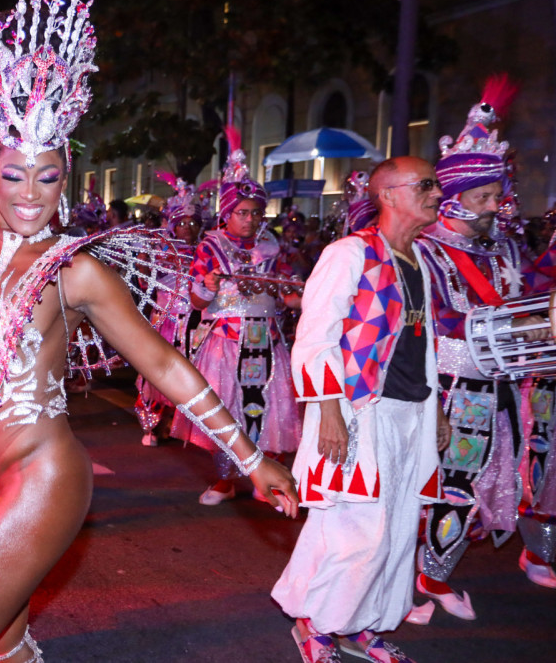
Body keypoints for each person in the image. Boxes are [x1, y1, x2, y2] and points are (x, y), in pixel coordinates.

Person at [0, 0, 298, 662]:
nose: (29, 194)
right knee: (3, 644)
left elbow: (163, 362)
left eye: (47, 176)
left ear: (65, 178)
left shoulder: (75, 269)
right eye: (14, 175)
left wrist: (251, 456)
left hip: (43, 475)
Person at [272, 155, 449, 663]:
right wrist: (328, 412)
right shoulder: (350, 253)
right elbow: (314, 338)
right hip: (358, 413)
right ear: (389, 194)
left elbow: (424, 344)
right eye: (427, 185)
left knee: (396, 528)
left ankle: (364, 624)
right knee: (355, 531)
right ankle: (319, 625)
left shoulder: (420, 262)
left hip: (409, 415)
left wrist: (433, 408)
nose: (437, 193)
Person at [414, 78, 556, 611]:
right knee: (448, 485)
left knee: (485, 480)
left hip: (502, 388)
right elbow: (433, 319)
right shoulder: (423, 251)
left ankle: (434, 574)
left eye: (497, 195)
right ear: (452, 199)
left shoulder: (503, 249)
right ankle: (428, 578)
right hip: (448, 390)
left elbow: (535, 289)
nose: (496, 205)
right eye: (484, 197)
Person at [179, 126, 302, 505]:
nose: (249, 219)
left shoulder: (272, 244)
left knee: (269, 413)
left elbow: (285, 294)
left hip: (266, 341)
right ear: (227, 213)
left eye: (255, 212)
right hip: (225, 342)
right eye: (242, 212)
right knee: (225, 414)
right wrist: (210, 286)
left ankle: (265, 478)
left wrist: (295, 295)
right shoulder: (210, 245)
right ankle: (224, 482)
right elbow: (197, 302)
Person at [135, 175, 202, 446]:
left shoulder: (207, 249)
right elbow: (145, 280)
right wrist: (144, 259)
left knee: (191, 372)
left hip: (196, 323)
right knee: (159, 371)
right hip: (166, 319)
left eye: (193, 222)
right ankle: (155, 423)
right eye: (183, 223)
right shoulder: (160, 247)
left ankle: (185, 425)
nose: (188, 228)